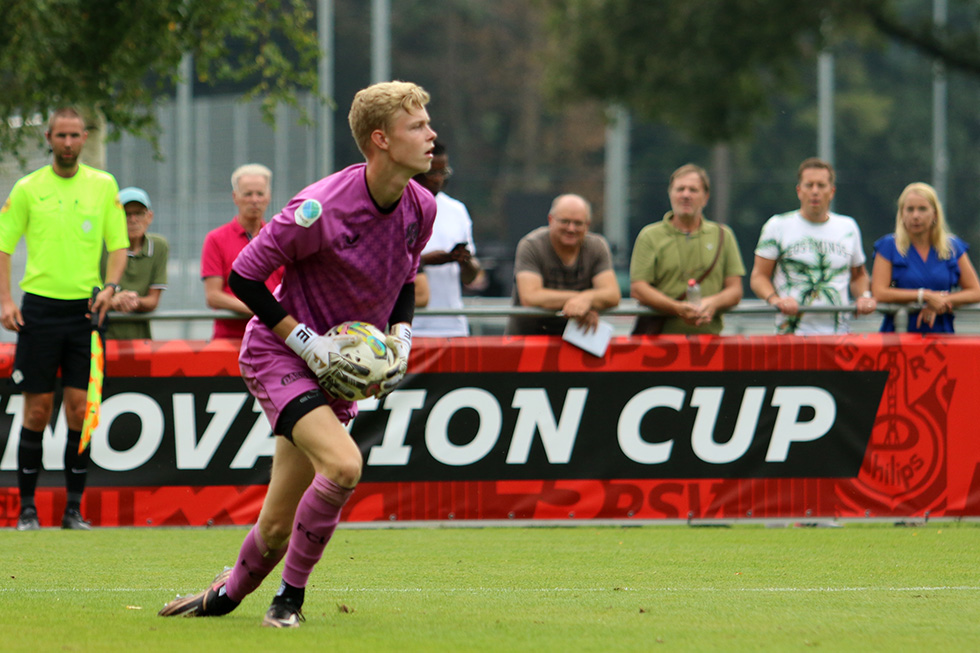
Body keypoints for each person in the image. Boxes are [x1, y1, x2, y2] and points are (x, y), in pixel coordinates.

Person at [158, 81, 437, 627]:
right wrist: (305, 340)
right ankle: (288, 602)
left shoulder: (420, 207)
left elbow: (405, 279)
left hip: (337, 372)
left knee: (278, 524)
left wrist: (401, 336)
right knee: (344, 464)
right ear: (380, 139)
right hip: (280, 356)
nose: (431, 134)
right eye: (418, 126)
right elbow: (244, 275)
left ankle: (224, 597)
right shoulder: (319, 208)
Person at [0, 107, 129, 531]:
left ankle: (73, 509)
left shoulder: (103, 185)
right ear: (50, 138)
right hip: (37, 309)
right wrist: (5, 300)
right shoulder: (27, 188)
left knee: (80, 410)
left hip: (85, 313)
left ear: (84, 137)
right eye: (62, 135)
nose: (69, 143)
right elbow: (4, 247)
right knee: (36, 412)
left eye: (76, 135)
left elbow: (118, 245)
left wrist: (110, 287)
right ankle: (27, 511)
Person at [750, 157, 877, 334]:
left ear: (832, 191)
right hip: (792, 335)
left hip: (837, 335)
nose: (815, 191)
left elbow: (858, 276)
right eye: (809, 185)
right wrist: (776, 300)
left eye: (821, 185)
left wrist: (864, 296)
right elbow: (759, 277)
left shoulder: (848, 227)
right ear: (799, 190)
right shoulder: (777, 226)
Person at [629, 164, 744, 334]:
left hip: (710, 341)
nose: (685, 195)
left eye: (693, 190)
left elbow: (735, 290)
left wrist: (712, 303)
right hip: (660, 343)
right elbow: (638, 289)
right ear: (670, 194)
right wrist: (677, 308)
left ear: (706, 197)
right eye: (680, 189)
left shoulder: (723, 235)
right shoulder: (649, 235)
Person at [504, 194, 621, 336]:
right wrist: (581, 300)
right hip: (529, 339)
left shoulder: (597, 246)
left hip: (577, 339)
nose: (571, 229)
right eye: (565, 221)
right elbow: (530, 297)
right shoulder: (531, 245)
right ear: (550, 220)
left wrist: (587, 299)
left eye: (578, 223)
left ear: (588, 225)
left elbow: (613, 294)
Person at [870, 182, 980, 332]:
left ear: (935, 213)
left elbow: (975, 291)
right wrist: (923, 296)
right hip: (899, 335)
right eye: (910, 209)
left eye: (922, 209)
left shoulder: (953, 247)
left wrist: (941, 301)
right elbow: (879, 292)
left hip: (940, 335)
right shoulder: (889, 246)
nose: (915, 216)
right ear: (901, 213)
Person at [411, 140, 485, 337]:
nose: (437, 179)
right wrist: (426, 261)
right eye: (431, 172)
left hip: (453, 326)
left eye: (442, 173)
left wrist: (465, 261)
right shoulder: (399, 209)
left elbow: (470, 277)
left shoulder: (457, 210)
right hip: (410, 328)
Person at [201, 163, 284, 340]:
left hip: (274, 338)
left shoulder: (280, 238)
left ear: (268, 197)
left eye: (260, 193)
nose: (254, 199)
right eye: (248, 194)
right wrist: (262, 308)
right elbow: (213, 296)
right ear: (235, 197)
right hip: (230, 339)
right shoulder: (216, 239)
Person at [102, 187, 169, 340]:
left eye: (139, 213)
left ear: (149, 217)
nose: (133, 220)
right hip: (101, 338)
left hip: (141, 340)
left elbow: (153, 300)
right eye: (126, 214)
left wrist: (133, 301)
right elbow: (87, 299)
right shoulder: (100, 247)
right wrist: (113, 301)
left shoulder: (159, 247)